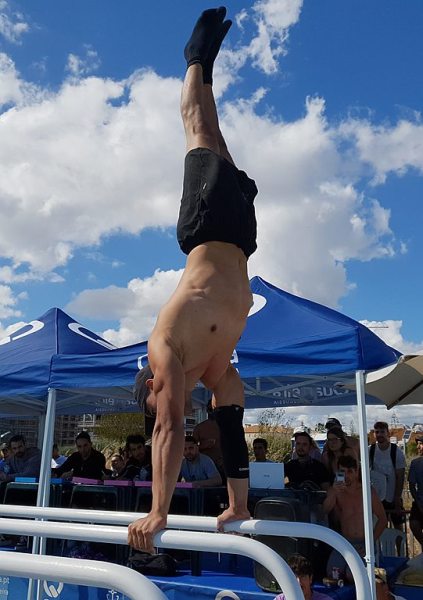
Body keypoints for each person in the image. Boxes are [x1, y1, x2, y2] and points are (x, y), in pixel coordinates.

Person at [129, 6, 257, 553]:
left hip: (205, 227)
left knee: (199, 129)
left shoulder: (165, 350)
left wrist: (158, 512)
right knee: (218, 136)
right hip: (242, 238)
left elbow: (168, 428)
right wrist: (239, 503)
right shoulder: (218, 371)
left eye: (159, 399)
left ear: (152, 386)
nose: (171, 404)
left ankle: (194, 60)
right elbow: (232, 431)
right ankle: (206, 69)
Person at [323, 455, 387, 583]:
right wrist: (334, 491)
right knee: (332, 574)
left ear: (357, 472)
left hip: (364, 542)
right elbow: (324, 510)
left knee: (353, 575)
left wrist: (370, 543)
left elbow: (383, 519)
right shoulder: (335, 490)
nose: (346, 476)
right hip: (345, 542)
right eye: (342, 472)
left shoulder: (367, 491)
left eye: (350, 472)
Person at [369, 421, 406, 530]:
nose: (379, 434)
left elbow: (400, 476)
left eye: (382, 432)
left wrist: (397, 497)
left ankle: (400, 543)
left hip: (392, 496)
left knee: (398, 527)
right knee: (378, 526)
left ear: (388, 433)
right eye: (377, 432)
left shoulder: (396, 451)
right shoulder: (370, 450)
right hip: (376, 496)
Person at [193, 399, 225, 477]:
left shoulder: (226, 427)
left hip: (223, 466)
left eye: (215, 409)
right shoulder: (199, 428)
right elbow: (191, 448)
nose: (212, 411)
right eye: (210, 409)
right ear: (207, 410)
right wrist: (203, 446)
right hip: (204, 466)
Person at [408, 436, 423, 551]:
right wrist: (418, 503)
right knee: (414, 524)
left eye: (421, 444)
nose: (418, 447)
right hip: (419, 503)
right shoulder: (415, 463)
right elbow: (412, 486)